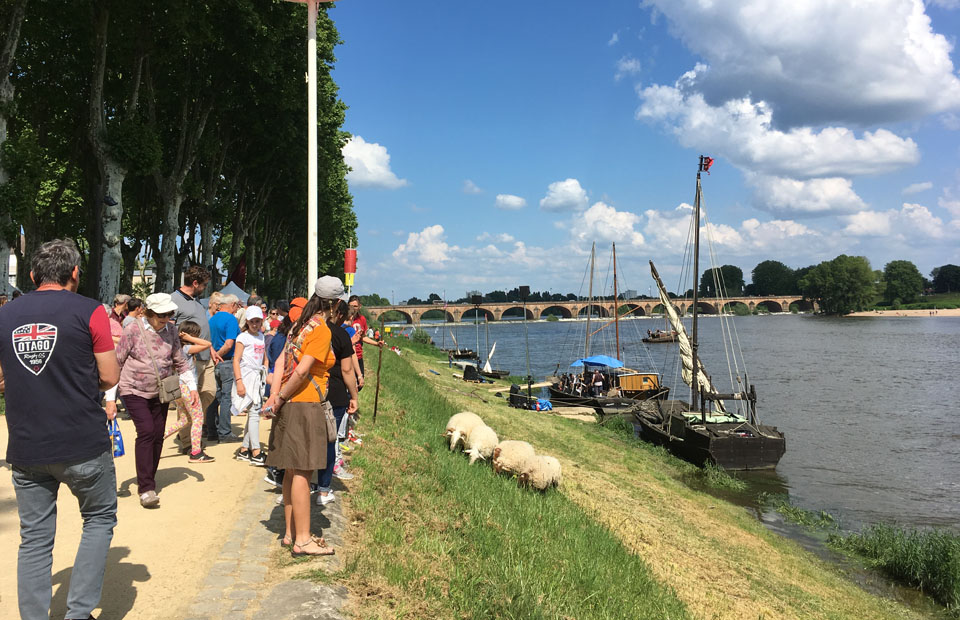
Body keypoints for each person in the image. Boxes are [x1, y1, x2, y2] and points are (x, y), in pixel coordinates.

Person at [0, 239, 120, 620]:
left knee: (34, 538)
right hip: (82, 440)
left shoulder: (5, 314)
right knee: (99, 518)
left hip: (27, 445)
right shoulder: (91, 311)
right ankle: (79, 613)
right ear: (74, 274)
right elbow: (109, 375)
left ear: (33, 275)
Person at [263, 276, 346, 557]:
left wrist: (275, 397)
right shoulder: (321, 330)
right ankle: (303, 539)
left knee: (290, 470)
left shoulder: (299, 325)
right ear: (335, 304)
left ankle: (289, 533)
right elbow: (302, 371)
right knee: (303, 471)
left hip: (289, 404)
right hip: (306, 404)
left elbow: (281, 362)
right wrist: (283, 397)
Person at [106, 293, 198, 508]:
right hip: (132, 389)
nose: (166, 318)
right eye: (161, 315)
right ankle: (146, 488)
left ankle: (149, 476)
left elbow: (180, 361)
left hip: (161, 391)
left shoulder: (172, 330)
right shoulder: (132, 330)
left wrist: (192, 387)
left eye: (169, 314)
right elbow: (117, 363)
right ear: (149, 313)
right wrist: (110, 399)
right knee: (146, 431)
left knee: (157, 435)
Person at [171, 266, 220, 451]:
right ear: (195, 283)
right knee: (191, 401)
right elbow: (168, 330)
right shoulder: (174, 300)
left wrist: (211, 348)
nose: (205, 288)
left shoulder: (196, 301)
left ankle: (189, 427)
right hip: (190, 359)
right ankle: (187, 441)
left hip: (206, 356)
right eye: (204, 284)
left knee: (209, 392)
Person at [316, 299, 360, 506]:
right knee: (329, 440)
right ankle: (323, 489)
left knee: (310, 438)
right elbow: (347, 370)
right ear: (340, 314)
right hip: (334, 393)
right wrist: (354, 396)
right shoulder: (341, 334)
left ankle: (303, 483)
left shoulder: (310, 329)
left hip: (311, 391)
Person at [164, 320, 215, 463]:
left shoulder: (173, 347)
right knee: (198, 418)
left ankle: (159, 438)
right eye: (196, 335)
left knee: (185, 420)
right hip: (188, 387)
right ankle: (196, 452)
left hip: (178, 388)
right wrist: (189, 338)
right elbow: (207, 344)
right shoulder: (185, 348)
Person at [233, 305, 268, 465]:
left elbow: (264, 357)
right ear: (247, 322)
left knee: (253, 413)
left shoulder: (261, 336)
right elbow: (236, 360)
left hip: (257, 377)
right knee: (254, 413)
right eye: (252, 321)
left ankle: (244, 449)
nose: (255, 324)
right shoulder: (243, 338)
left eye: (258, 321)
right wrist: (239, 381)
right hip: (246, 376)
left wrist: (266, 370)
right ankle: (256, 451)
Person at [208, 293, 241, 442]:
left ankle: (211, 430)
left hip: (212, 361)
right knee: (226, 398)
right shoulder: (231, 319)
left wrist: (213, 356)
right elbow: (229, 344)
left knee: (213, 397)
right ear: (232, 305)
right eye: (237, 305)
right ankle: (225, 432)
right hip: (226, 361)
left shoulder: (212, 319)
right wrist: (218, 355)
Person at [347, 295, 384, 388]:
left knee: (359, 385)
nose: (353, 308)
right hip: (347, 355)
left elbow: (363, 337)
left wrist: (376, 343)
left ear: (359, 306)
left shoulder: (362, 319)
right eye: (351, 306)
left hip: (358, 355)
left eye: (355, 306)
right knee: (349, 384)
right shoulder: (344, 319)